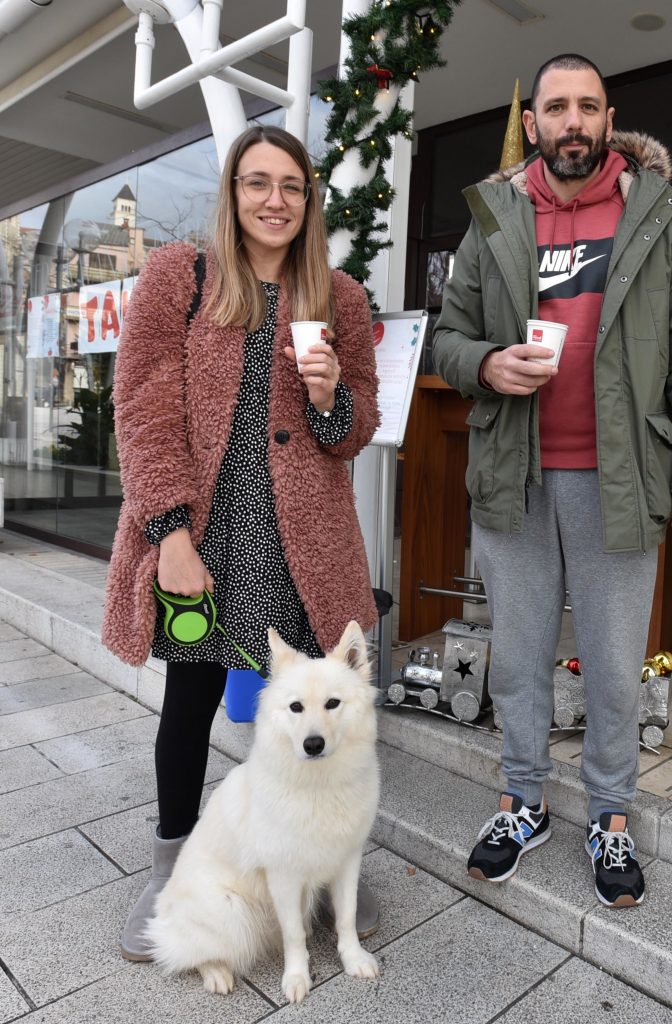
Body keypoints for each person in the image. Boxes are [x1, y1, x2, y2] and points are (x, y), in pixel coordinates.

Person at [432, 54, 672, 906]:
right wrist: (487, 364)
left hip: (621, 476)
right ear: (533, 123)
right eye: (555, 106)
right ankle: (520, 802)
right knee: (518, 660)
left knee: (609, 665)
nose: (571, 121)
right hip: (511, 475)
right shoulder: (492, 214)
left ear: (607, 120)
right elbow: (447, 340)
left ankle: (609, 816)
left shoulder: (657, 216)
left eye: (586, 107)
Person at [101, 124, 381, 959]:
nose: (274, 200)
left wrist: (332, 396)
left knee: (308, 713)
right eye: (257, 183)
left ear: (308, 201)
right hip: (207, 534)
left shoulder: (341, 297)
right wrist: (170, 535)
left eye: (291, 187)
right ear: (232, 192)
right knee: (189, 706)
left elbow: (356, 427)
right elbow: (142, 409)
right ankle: (174, 868)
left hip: (306, 544)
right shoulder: (180, 278)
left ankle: (323, 866)